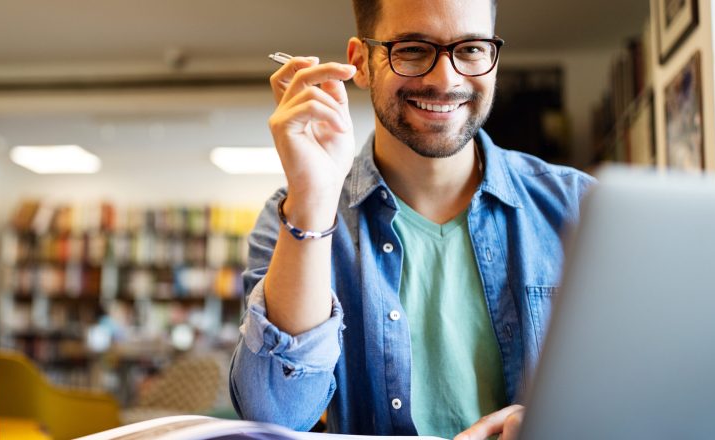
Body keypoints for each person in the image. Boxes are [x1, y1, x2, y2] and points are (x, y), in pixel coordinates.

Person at [229, 0, 594, 438]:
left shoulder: (581, 208)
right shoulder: (292, 216)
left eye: (472, 49)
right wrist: (313, 197)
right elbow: (276, 416)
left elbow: (643, 389)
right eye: (413, 49)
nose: (445, 79)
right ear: (360, 63)